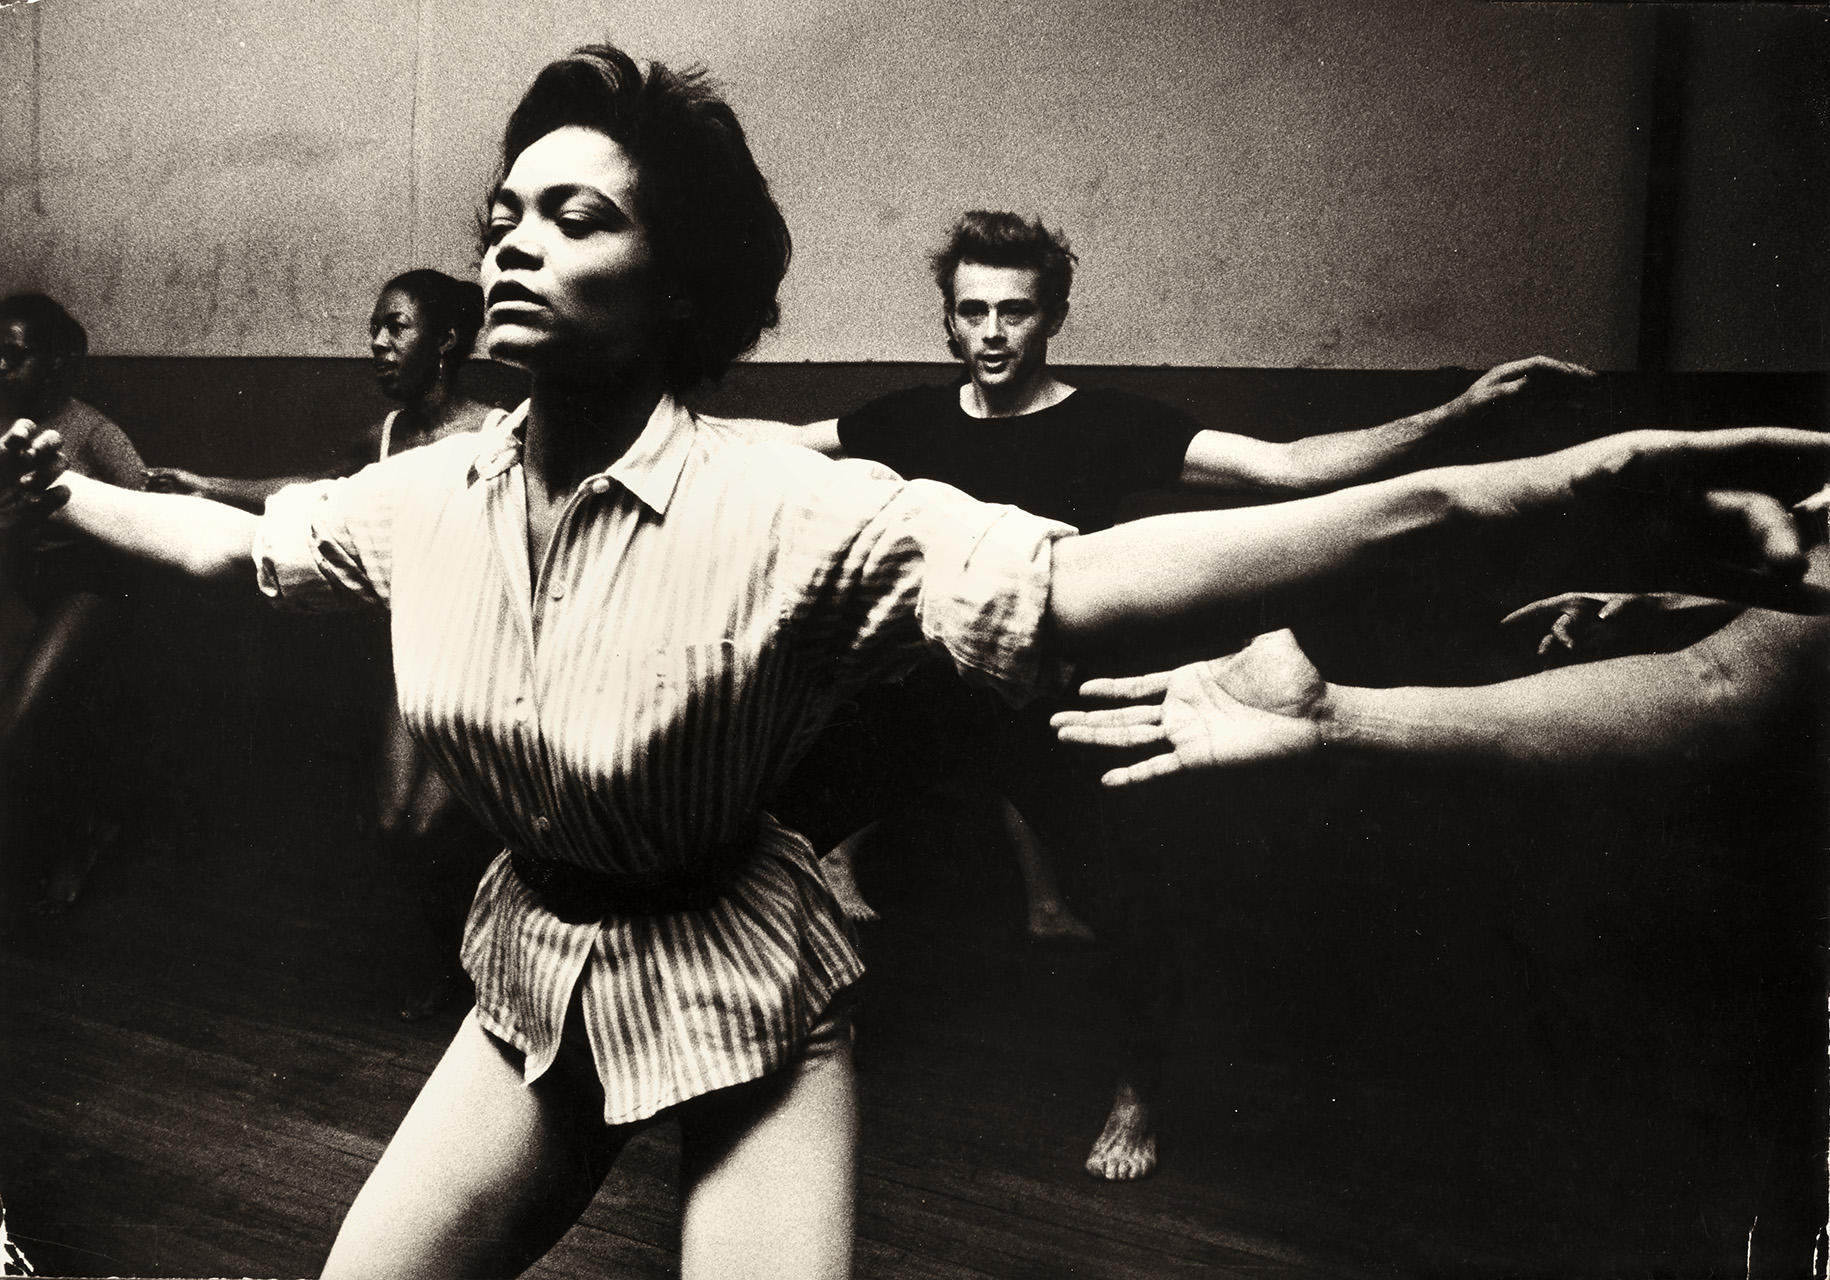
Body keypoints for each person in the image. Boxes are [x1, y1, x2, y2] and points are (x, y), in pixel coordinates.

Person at [3, 43, 1825, 1279]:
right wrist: (67, 504)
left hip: (743, 971)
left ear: (686, 294)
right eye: (509, 210)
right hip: (540, 958)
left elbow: (1119, 579)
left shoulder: (804, 509)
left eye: (582, 215)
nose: (517, 240)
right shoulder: (439, 493)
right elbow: (239, 547)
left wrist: (1554, 494)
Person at [757, 208, 1595, 1175]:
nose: (992, 333)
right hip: (924, 701)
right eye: (973, 311)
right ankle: (745, 1037)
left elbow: (1287, 468)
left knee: (1136, 899)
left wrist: (1455, 416)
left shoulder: (1114, 425)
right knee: (761, 833)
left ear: (1052, 318)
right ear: (947, 321)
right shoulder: (903, 422)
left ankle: (1139, 1091)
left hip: (1054, 707)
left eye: (1015, 313)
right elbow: (775, 441)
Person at [148, 269, 498, 1020]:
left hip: (490, 654)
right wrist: (204, 484)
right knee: (394, 826)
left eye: (397, 326)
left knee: (442, 820)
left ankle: (491, 968)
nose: (377, 341)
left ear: (446, 340)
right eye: (375, 325)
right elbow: (309, 489)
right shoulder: (384, 437)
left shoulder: (500, 430)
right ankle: (451, 958)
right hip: (415, 648)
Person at [0, 291, 146, 914]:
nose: (2, 369)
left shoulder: (95, 432)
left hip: (86, 589)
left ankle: (81, 837)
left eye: (15, 356)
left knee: (17, 724)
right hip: (19, 579)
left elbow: (151, 515)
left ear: (56, 364)